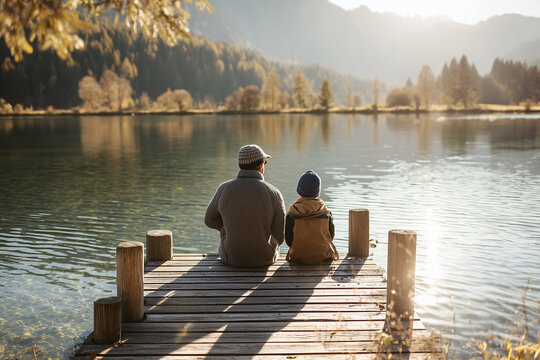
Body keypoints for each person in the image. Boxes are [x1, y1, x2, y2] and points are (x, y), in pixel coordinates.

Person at [204, 144, 286, 267]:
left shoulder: (224, 189)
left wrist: (227, 228)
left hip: (231, 258)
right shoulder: (274, 193)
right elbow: (280, 236)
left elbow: (209, 220)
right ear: (261, 166)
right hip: (265, 259)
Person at [285, 170, 338, 264]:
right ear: (317, 192)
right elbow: (331, 235)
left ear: (299, 192)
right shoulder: (326, 213)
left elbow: (289, 240)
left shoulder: (292, 213)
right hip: (323, 256)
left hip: (298, 258)